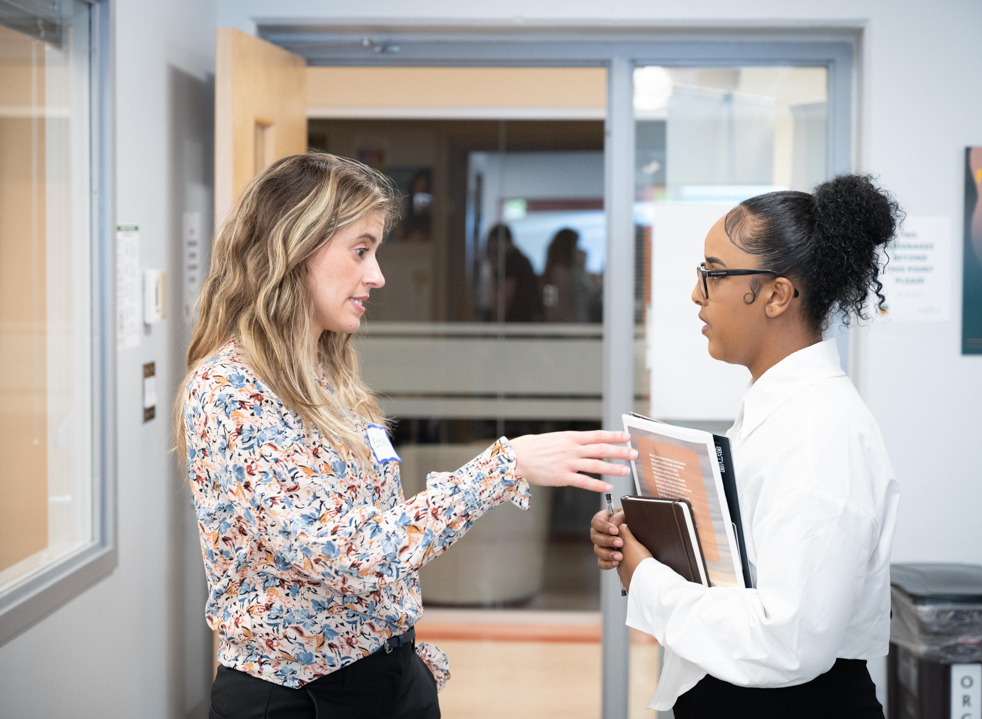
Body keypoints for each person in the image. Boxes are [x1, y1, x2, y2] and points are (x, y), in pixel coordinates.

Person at [176, 153, 637, 719]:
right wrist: (502, 466)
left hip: (386, 673)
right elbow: (353, 553)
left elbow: (376, 524)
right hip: (301, 698)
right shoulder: (231, 391)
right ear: (294, 248)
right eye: (361, 249)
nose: (377, 275)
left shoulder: (325, 371)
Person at [591, 174, 902, 718]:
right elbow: (741, 573)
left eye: (712, 274)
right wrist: (645, 542)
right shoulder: (779, 412)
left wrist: (645, 577)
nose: (696, 293)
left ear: (777, 295)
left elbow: (785, 643)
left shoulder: (820, 434)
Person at [485, 223, 543, 322]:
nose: (493, 251)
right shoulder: (519, 259)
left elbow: (503, 302)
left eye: (495, 247)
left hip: (516, 323)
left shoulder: (512, 262)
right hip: (523, 322)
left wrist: (494, 327)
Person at [540, 227, 600, 323]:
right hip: (567, 325)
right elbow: (550, 302)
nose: (578, 250)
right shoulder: (558, 272)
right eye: (575, 245)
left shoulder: (573, 272)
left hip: (577, 322)